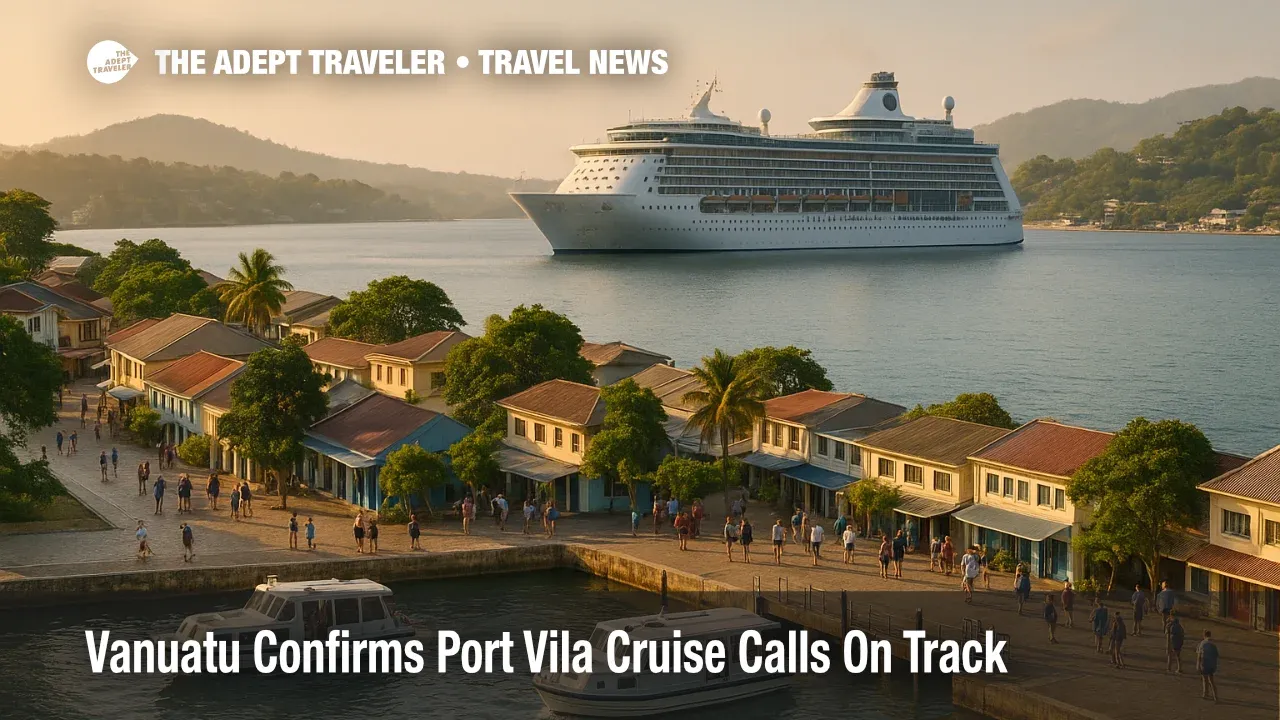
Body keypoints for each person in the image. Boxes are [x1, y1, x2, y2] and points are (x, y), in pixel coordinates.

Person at [1196, 630, 1218, 701]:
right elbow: (1216, 655)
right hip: (1211, 664)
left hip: (1204, 664)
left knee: (1205, 679)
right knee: (1211, 681)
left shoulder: (1202, 643)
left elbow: (1199, 655)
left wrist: (1198, 664)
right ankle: (1215, 696)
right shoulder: (1213, 644)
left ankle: (1205, 693)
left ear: (1204, 635)